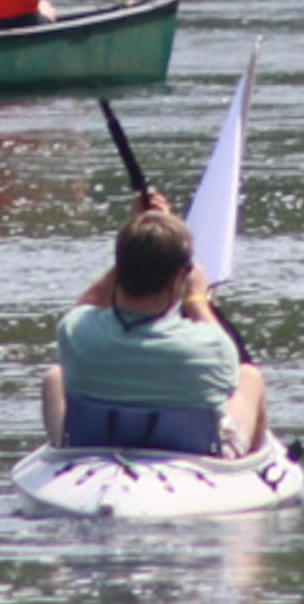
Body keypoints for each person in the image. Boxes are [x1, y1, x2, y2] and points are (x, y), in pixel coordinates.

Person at [39, 191, 269, 458]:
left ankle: (63, 450)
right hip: (193, 449)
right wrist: (196, 298)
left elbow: (87, 304)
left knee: (55, 377)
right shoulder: (210, 346)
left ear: (120, 270)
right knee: (250, 377)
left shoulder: (76, 331)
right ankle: (253, 459)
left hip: (94, 439)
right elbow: (231, 360)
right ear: (178, 280)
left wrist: (139, 242)